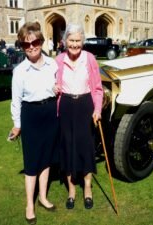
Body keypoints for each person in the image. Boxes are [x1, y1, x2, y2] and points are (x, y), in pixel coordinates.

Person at [9, 21, 58, 225]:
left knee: (46, 159)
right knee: (31, 162)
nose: (31, 47)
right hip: (30, 115)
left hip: (50, 113)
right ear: (22, 46)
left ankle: (43, 197)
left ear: (41, 41)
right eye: (25, 44)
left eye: (35, 42)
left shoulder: (53, 64)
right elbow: (16, 101)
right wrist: (17, 124)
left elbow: (58, 86)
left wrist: (57, 89)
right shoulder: (20, 71)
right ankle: (30, 205)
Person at [54, 23, 103, 210]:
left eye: (78, 40)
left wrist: (97, 109)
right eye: (71, 40)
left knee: (86, 147)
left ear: (82, 41)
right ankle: (72, 191)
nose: (74, 44)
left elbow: (98, 89)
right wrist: (53, 87)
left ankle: (87, 188)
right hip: (66, 106)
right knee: (67, 147)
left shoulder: (89, 59)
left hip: (85, 106)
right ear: (65, 41)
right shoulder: (58, 60)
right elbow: (51, 84)